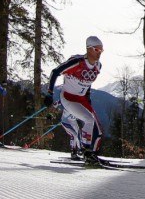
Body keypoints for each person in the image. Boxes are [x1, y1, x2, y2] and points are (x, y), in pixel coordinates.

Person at [45, 36, 105, 166]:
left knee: (99, 130)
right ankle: (86, 152)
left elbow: (88, 84)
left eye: (101, 50)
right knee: (88, 120)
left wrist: (87, 96)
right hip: (68, 97)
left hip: (82, 99)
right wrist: (49, 93)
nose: (99, 52)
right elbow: (55, 72)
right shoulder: (77, 62)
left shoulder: (98, 66)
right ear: (88, 49)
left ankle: (92, 153)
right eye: (96, 49)